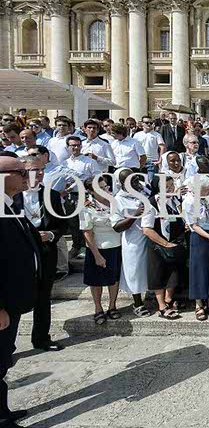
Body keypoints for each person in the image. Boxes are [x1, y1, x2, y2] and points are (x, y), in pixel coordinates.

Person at [13, 156, 67, 352]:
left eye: (42, 169)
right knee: (14, 296)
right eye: (35, 170)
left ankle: (41, 338)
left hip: (45, 252)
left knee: (43, 296)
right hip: (19, 254)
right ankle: (8, 344)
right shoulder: (10, 196)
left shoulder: (52, 195)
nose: (40, 173)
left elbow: (63, 224)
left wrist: (51, 235)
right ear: (23, 172)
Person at [0, 156, 38, 427]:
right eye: (21, 172)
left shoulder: (10, 204)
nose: (27, 177)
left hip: (13, 299)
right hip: (3, 304)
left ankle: (3, 411)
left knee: (3, 359)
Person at [142, 175, 186, 320]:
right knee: (158, 275)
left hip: (174, 244)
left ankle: (168, 300)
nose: (170, 189)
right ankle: (161, 306)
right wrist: (165, 244)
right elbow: (147, 229)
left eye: (171, 185)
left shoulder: (175, 200)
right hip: (158, 246)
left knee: (173, 274)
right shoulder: (151, 204)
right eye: (166, 187)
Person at [80, 177, 122, 325]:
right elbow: (87, 232)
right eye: (101, 188)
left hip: (115, 245)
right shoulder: (87, 206)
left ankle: (112, 306)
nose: (105, 190)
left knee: (114, 279)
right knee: (96, 281)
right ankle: (98, 308)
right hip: (97, 248)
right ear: (91, 191)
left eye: (106, 187)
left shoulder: (115, 202)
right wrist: (97, 255)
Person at [110, 168, 151, 317]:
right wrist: (134, 215)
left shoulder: (145, 191)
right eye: (129, 181)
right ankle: (137, 303)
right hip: (133, 241)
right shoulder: (117, 200)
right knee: (134, 271)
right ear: (121, 183)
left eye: (135, 179)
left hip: (150, 237)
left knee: (151, 269)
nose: (134, 183)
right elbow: (117, 227)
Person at [183, 175, 209, 321]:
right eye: (206, 190)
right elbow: (194, 225)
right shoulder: (189, 201)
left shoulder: (208, 198)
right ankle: (199, 304)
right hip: (199, 237)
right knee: (199, 271)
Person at [134, 116, 165, 182]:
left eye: (151, 123)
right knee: (140, 182)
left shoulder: (157, 135)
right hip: (140, 161)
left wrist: (160, 160)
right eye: (147, 122)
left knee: (151, 182)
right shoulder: (137, 135)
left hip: (152, 161)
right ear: (142, 123)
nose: (149, 124)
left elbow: (162, 147)